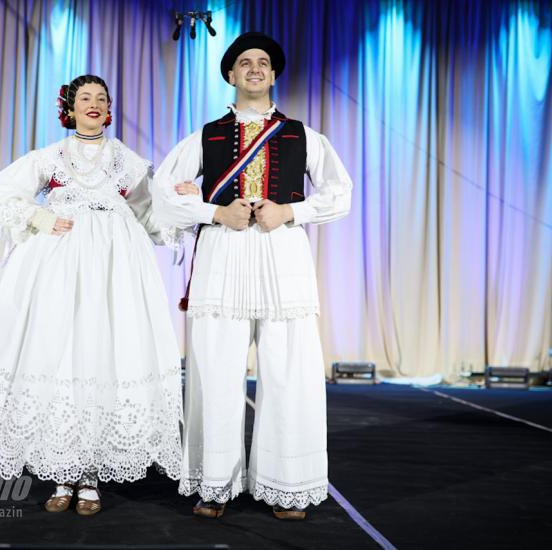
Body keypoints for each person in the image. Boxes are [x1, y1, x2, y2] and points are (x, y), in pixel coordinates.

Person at [0, 75, 196, 516]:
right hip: (60, 265)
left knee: (103, 355)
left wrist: (183, 203)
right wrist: (40, 219)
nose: (94, 104)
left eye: (101, 99)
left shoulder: (127, 159)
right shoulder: (51, 156)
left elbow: (149, 211)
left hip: (114, 268)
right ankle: (63, 473)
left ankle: (90, 477)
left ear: (109, 108)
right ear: (69, 106)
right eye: (85, 98)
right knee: (62, 355)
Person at [151, 32, 353, 520]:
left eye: (263, 62)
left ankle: (287, 485)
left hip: (283, 255)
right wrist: (214, 214)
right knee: (217, 371)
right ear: (231, 75)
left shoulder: (304, 135)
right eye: (245, 62)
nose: (255, 69)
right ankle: (215, 485)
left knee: (289, 372)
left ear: (274, 74)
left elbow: (339, 192)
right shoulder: (208, 134)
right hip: (223, 256)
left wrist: (290, 213)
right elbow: (162, 192)